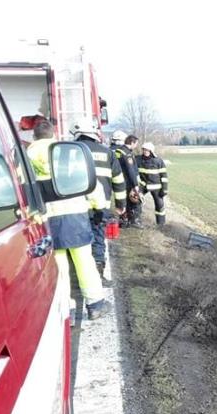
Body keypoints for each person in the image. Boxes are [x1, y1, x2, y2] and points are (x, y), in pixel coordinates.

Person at [27, 120, 111, 319]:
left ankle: (67, 310)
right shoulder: (64, 152)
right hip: (75, 216)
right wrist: (99, 208)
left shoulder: (25, 158)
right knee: (84, 261)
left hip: (46, 221)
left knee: (59, 266)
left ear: (34, 137)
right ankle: (95, 304)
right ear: (53, 134)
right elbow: (89, 184)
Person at [70, 118, 125, 278]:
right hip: (101, 207)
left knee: (79, 241)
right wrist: (120, 205)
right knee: (98, 238)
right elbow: (119, 181)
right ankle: (99, 272)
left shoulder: (72, 151)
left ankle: (78, 275)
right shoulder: (108, 153)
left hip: (77, 207)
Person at [112, 132, 143, 227]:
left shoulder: (118, 151)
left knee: (123, 201)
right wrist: (135, 185)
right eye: (136, 143)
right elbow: (131, 170)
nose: (136, 146)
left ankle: (124, 221)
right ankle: (134, 221)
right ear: (132, 143)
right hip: (128, 181)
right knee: (135, 200)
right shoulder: (127, 153)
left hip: (119, 180)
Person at [138, 141, 168, 225]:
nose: (145, 152)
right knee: (136, 200)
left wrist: (164, 189)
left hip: (156, 188)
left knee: (159, 205)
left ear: (151, 151)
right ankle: (136, 220)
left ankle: (161, 224)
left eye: (147, 150)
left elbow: (164, 176)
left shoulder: (158, 161)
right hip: (143, 185)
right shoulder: (138, 160)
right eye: (144, 150)